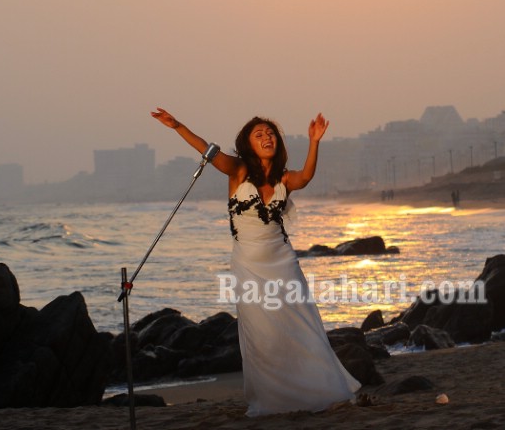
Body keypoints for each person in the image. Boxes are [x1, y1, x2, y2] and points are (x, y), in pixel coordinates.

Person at [151, 107, 360, 416]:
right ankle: (276, 399)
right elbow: (206, 150)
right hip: (248, 265)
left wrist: (314, 141)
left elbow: (306, 177)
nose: (267, 137)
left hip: (284, 262)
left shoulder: (284, 179)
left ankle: (317, 391)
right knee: (264, 334)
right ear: (248, 144)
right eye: (259, 134)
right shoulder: (237, 171)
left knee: (300, 327)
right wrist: (178, 125)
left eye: (271, 133)